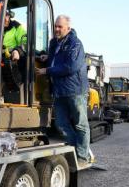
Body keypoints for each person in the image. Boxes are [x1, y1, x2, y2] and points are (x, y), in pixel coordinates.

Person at [36, 15, 92, 165]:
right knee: (61, 124)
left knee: (80, 124)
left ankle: (82, 156)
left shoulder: (75, 44)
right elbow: (57, 60)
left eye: (60, 27)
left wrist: (47, 70)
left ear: (68, 28)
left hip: (75, 90)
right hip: (59, 90)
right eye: (56, 26)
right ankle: (74, 150)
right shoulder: (54, 43)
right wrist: (46, 57)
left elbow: (70, 67)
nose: (57, 29)